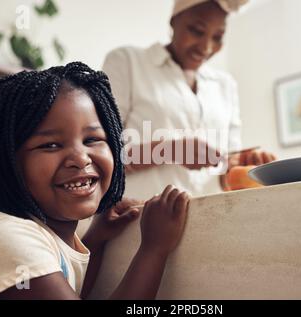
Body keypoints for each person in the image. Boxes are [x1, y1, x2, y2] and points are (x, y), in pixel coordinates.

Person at [0, 62, 190, 300]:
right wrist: (153, 249)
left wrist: (94, 242)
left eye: (92, 139)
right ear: (3, 161)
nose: (80, 158)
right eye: (51, 145)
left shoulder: (41, 236)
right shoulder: (8, 239)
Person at [103, 0, 276, 200]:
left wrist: (244, 164)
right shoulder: (127, 62)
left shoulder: (225, 85)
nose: (206, 47)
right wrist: (167, 150)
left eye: (218, 37)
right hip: (138, 220)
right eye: (196, 31)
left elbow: (224, 176)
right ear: (174, 21)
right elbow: (100, 156)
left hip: (211, 219)